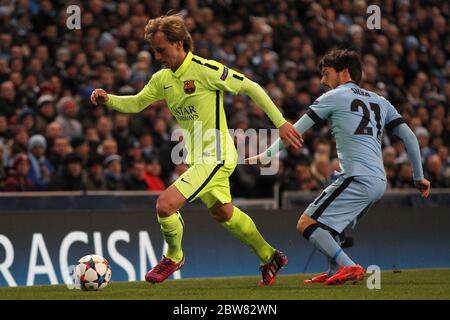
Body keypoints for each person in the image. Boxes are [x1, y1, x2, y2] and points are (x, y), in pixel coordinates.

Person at [90, 13, 302, 286]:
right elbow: (136, 103)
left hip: (217, 156)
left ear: (179, 43)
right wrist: (109, 99)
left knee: (165, 205)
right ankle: (269, 255)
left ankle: (174, 255)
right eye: (154, 51)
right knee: (223, 212)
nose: (157, 56)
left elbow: (251, 87)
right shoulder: (162, 79)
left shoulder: (205, 70)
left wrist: (280, 123)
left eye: (161, 50)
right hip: (199, 158)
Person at [247, 49, 430, 285]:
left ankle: (349, 266)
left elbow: (294, 132)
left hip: (358, 177)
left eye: (326, 74)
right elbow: (410, 137)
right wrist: (419, 177)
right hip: (378, 181)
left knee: (307, 223)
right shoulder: (381, 101)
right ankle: (334, 272)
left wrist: (267, 155)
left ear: (344, 72)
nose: (322, 81)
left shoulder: (334, 97)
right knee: (330, 227)